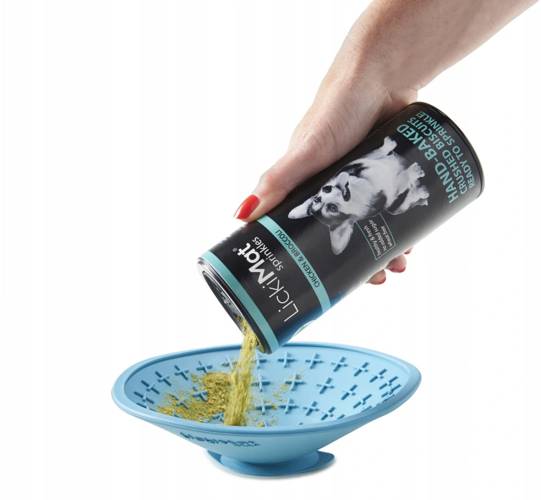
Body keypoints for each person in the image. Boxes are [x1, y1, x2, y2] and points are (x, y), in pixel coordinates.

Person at [233, 0, 536, 284]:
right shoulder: (404, 195)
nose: (331, 190)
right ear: (354, 218)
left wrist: (376, 76)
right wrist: (377, 77)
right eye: (334, 205)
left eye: (322, 193)